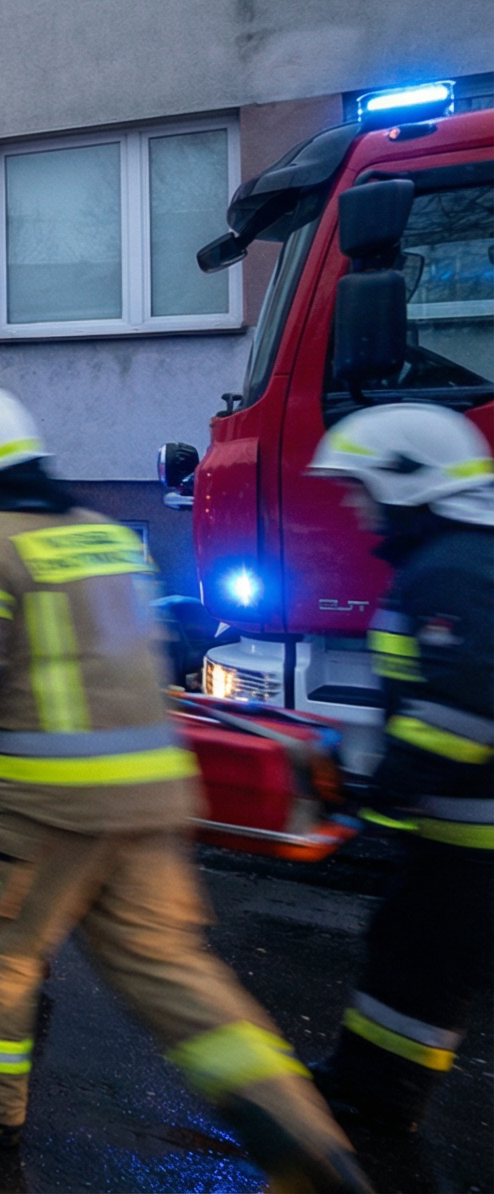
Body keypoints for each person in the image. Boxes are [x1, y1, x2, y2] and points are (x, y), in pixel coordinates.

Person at [0, 387, 365, 1192]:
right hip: (152, 792)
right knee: (171, 969)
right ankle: (307, 1139)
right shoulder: (99, 536)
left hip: (38, 801)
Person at [302, 404, 494, 1139]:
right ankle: (370, 1085)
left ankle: (374, 1099)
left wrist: (380, 805)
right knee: (416, 954)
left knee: (426, 957)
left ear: (408, 483)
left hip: (472, 830)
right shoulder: (450, 559)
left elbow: (460, 713)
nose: (357, 505)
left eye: (363, 489)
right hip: (460, 825)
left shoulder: (455, 570)